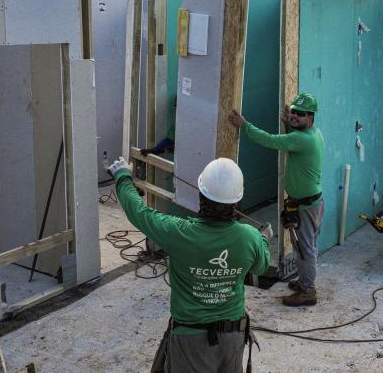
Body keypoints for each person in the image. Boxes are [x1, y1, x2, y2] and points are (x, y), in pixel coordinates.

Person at [107, 156, 271, 373]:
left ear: (201, 196)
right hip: (233, 338)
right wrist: (263, 241)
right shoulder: (249, 237)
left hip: (190, 340)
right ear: (237, 201)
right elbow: (260, 267)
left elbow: (138, 213)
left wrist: (122, 176)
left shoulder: (178, 232)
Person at [229, 92, 324, 307]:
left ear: (310, 117)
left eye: (300, 114)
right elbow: (295, 141)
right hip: (308, 202)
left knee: (306, 248)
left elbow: (270, 140)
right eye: (293, 112)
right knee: (302, 247)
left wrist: (245, 125)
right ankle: (304, 283)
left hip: (306, 206)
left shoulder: (302, 139)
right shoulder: (313, 134)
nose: (294, 116)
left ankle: (308, 291)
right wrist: (290, 125)